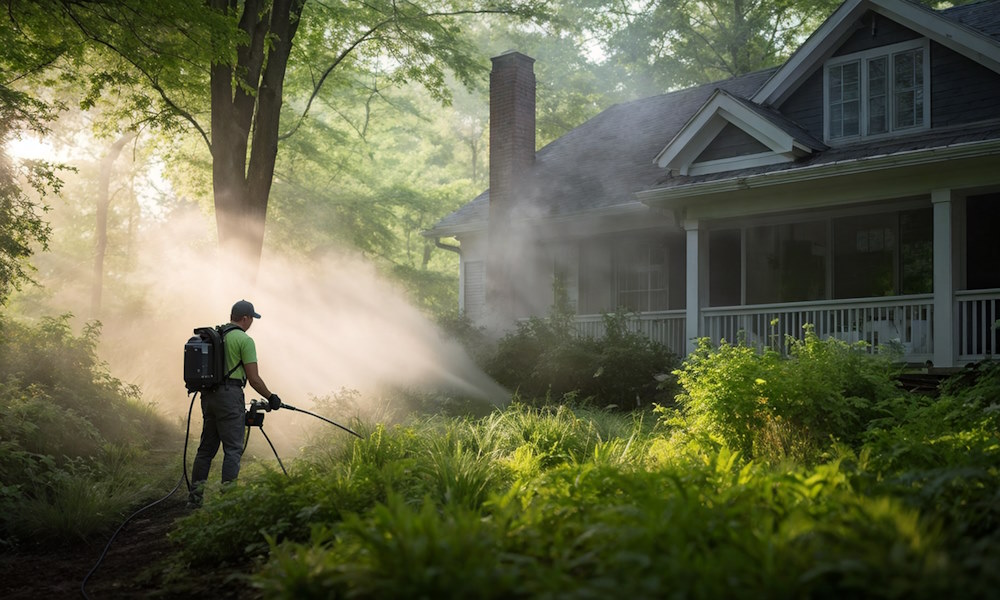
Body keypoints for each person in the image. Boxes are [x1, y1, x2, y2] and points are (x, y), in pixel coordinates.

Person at [189, 299, 281, 506]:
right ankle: (228, 503)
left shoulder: (216, 335)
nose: (252, 323)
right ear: (246, 318)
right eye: (252, 319)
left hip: (209, 396)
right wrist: (271, 397)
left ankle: (194, 501)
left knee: (205, 450)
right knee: (232, 450)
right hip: (230, 397)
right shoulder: (245, 340)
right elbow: (254, 379)